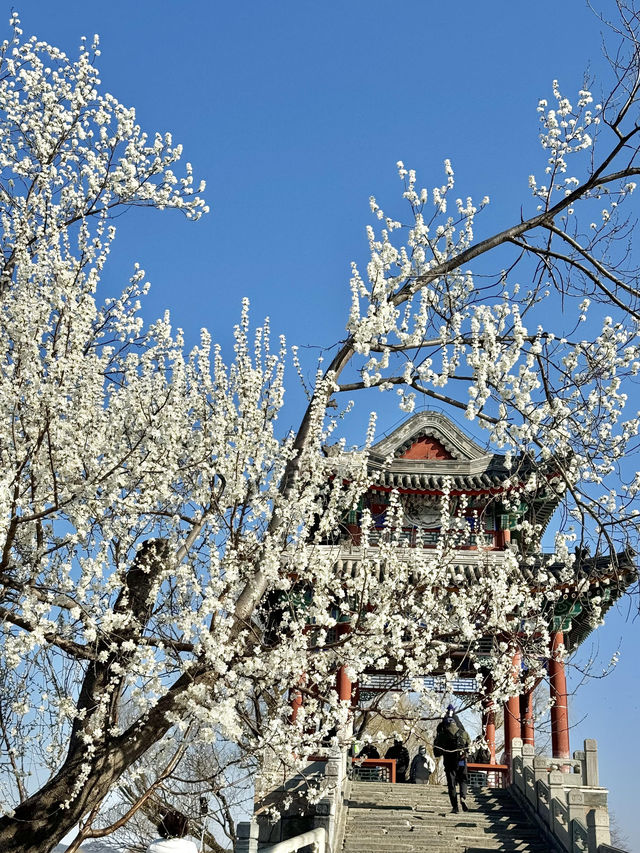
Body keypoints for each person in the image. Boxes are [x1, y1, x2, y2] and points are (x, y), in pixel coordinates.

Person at [433, 704, 471, 813]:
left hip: (449, 762)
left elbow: (437, 750)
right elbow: (469, 746)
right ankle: (463, 796)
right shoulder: (463, 732)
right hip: (461, 760)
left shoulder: (442, 733)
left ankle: (455, 807)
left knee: (452, 784)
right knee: (463, 780)